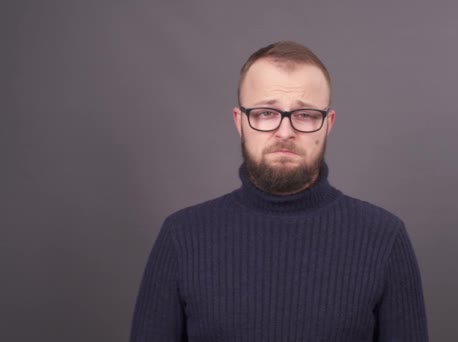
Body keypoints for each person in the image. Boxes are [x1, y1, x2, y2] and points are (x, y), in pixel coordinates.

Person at [130, 41, 428, 342]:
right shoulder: (181, 236)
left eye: (306, 115)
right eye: (266, 113)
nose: (285, 132)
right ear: (240, 121)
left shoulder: (384, 237)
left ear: (328, 124)